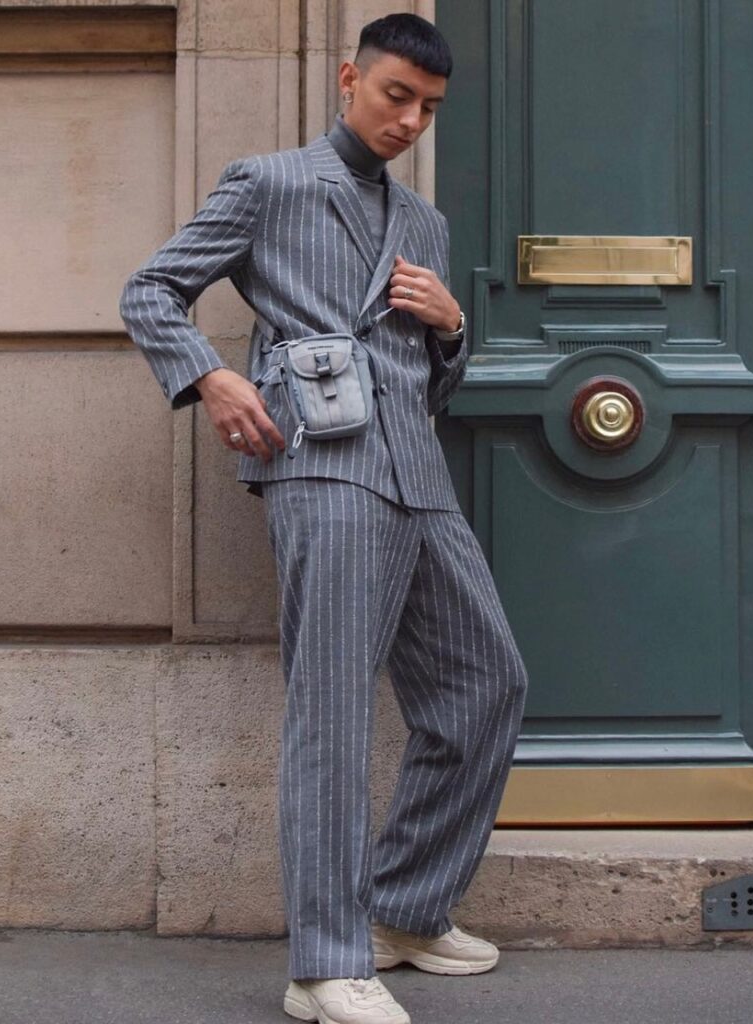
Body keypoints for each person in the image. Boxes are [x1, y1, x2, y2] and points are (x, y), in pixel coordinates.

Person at [119, 13, 528, 1024]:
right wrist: (212, 378)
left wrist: (452, 326)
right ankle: (321, 964)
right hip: (321, 465)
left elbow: (432, 386)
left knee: (487, 682)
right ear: (349, 79)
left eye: (428, 109)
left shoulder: (423, 226)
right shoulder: (268, 183)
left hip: (416, 471)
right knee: (335, 710)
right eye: (395, 96)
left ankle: (405, 908)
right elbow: (151, 291)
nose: (409, 121)